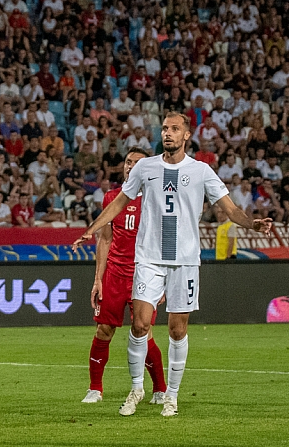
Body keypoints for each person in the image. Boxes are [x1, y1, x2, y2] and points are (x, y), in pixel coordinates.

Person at [76, 114, 273, 417]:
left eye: (174, 129)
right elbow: (118, 203)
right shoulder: (145, 167)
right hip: (149, 259)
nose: (168, 133)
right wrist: (93, 227)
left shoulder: (201, 171)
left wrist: (253, 223)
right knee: (140, 324)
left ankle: (172, 395)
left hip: (184, 262)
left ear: (186, 136)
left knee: (177, 330)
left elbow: (230, 209)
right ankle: (137, 388)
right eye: (165, 128)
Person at [82, 148, 167, 405]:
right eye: (128, 162)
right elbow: (104, 239)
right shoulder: (112, 197)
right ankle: (95, 388)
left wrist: (162, 280)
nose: (130, 166)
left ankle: (160, 389)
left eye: (137, 163)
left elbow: (164, 242)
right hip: (115, 274)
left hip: (144, 274)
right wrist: (98, 279)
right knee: (104, 329)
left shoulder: (158, 197)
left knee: (144, 331)